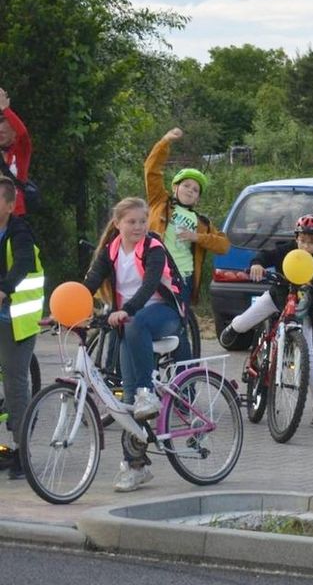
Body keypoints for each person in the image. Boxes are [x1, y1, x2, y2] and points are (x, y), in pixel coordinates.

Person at [82, 197, 186, 492]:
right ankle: (135, 467)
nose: (139, 226)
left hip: (163, 314)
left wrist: (128, 309)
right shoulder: (110, 251)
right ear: (117, 224)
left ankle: (147, 393)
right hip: (130, 322)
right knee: (127, 400)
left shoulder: (153, 248)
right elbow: (90, 282)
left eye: (143, 221)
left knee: (136, 324)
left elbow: (150, 284)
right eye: (132, 222)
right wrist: (65, 309)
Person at [219, 215, 313, 426]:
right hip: (276, 298)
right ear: (296, 238)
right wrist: (257, 265)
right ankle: (234, 327)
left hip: (302, 312)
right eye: (302, 240)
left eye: (312, 242)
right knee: (244, 322)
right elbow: (263, 256)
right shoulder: (286, 250)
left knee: (310, 357)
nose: (305, 246)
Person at [145, 127, 230, 309]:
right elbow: (151, 170)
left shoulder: (202, 222)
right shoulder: (160, 202)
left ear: (198, 199)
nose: (190, 190)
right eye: (186, 185)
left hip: (183, 276)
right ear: (175, 187)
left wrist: (196, 237)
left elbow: (223, 246)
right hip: (154, 271)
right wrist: (165, 141)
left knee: (177, 324)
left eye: (195, 190)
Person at [0, 177, 44, 480]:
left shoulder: (19, 232)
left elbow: (24, 264)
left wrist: (4, 289)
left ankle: (22, 452)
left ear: (8, 204)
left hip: (16, 318)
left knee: (15, 384)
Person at [0, 88, 33, 216]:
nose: (0, 129)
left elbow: (23, 135)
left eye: (4, 122)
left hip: (15, 217)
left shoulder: (19, 153)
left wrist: (5, 109)